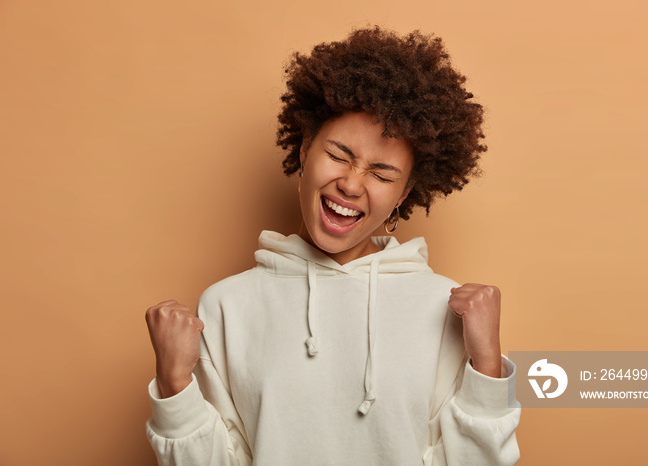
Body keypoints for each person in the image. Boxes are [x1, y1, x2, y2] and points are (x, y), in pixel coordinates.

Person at [145, 26, 521, 465]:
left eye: (381, 174)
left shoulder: (446, 308)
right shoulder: (225, 307)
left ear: (403, 194)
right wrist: (174, 386)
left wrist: (487, 369)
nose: (350, 183)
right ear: (305, 150)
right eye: (339, 155)